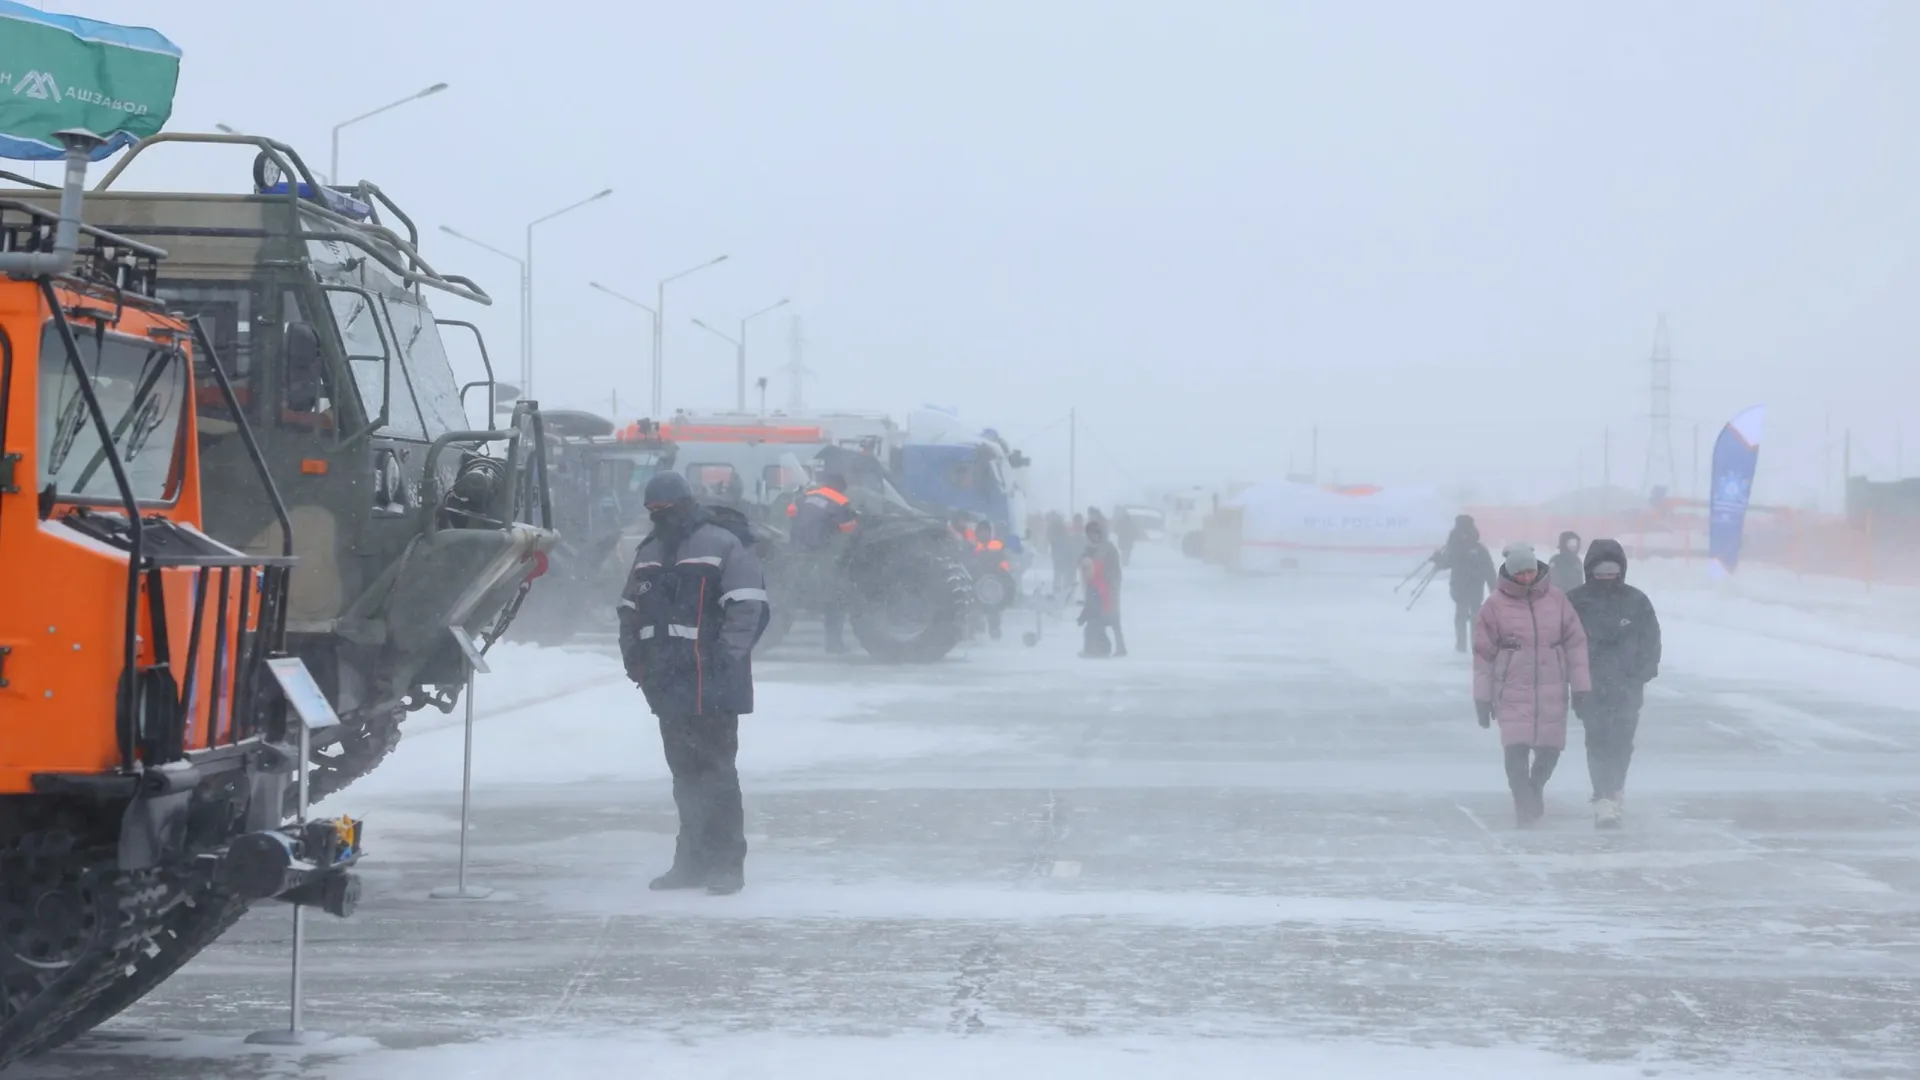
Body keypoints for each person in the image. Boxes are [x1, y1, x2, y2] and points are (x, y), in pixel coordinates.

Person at [618, 471, 770, 895]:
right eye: (653, 511)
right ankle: (690, 864)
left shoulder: (723, 544)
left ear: (685, 504)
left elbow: (749, 609)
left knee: (717, 775)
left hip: (714, 686)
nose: (659, 516)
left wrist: (724, 660)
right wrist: (636, 660)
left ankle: (726, 866)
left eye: (665, 509)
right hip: (669, 687)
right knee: (685, 778)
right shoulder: (648, 552)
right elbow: (629, 609)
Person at [1473, 541, 1591, 827]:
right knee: (1516, 748)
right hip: (1511, 686)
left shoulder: (1557, 600)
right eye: (1520, 573)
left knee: (1551, 748)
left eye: (1530, 571)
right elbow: (1483, 655)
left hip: (1551, 685)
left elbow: (1575, 644)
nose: (1526, 577)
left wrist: (1581, 687)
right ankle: (1522, 799)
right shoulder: (1494, 606)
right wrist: (1482, 697)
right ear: (1510, 574)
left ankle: (1535, 787)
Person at [1566, 539, 1661, 828]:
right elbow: (1561, 639)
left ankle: (1615, 788)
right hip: (1589, 686)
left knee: (1622, 742)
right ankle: (1601, 796)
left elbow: (1651, 640)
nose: (1606, 575)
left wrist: (1641, 673)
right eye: (1600, 569)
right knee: (1596, 740)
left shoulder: (1636, 601)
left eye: (1612, 569)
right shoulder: (1575, 601)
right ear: (1589, 570)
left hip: (1627, 686)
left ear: (1622, 570)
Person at [790, 471, 857, 653]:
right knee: (835, 596)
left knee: (790, 589)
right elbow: (847, 529)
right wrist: (852, 517)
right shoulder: (841, 501)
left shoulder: (809, 495)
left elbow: (791, 512)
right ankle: (833, 643)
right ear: (840, 487)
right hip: (820, 549)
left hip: (797, 548)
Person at [1432, 515, 1496, 653]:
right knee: (1466, 614)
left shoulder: (1470, 547)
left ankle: (1469, 645)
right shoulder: (1461, 546)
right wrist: (1439, 560)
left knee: (1469, 615)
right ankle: (1464, 645)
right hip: (1464, 586)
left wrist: (1493, 587)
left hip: (1469, 586)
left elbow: (1488, 568)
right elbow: (1448, 562)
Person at [1079, 518, 1127, 657]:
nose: (1092, 536)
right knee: (1096, 619)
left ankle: (1116, 647)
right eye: (1090, 533)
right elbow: (1084, 564)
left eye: (1094, 533)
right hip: (1095, 586)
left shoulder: (1108, 548)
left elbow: (1113, 568)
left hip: (1107, 587)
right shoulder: (1089, 547)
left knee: (1112, 619)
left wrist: (1109, 581)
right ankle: (1093, 648)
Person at [972, 519, 1007, 641]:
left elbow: (1005, 561)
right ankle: (975, 627)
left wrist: (1000, 569)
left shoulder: (997, 545)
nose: (984, 534)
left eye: (986, 531)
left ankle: (994, 628)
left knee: (992, 606)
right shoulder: (972, 546)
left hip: (992, 581)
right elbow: (967, 560)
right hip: (975, 580)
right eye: (981, 531)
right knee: (974, 605)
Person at [1047, 512, 1075, 597]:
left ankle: (1058, 590)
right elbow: (1066, 538)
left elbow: (1050, 538)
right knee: (1063, 572)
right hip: (1062, 552)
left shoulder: (1053, 527)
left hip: (1057, 553)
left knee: (1058, 573)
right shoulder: (1061, 526)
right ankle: (1064, 589)